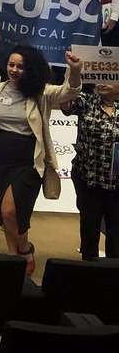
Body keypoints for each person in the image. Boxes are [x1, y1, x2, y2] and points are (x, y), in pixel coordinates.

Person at [0, 45, 82, 274]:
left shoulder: (41, 92)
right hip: (0, 157)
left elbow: (69, 91)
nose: (15, 70)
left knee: (10, 210)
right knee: (6, 212)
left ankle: (24, 248)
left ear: (32, 69)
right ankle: (14, 256)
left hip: (29, 160)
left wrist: (74, 70)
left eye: (21, 66)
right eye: (11, 65)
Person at [61, 80, 119, 260]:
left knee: (116, 232)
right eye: (101, 79)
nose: (103, 83)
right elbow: (65, 103)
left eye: (110, 79)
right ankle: (89, 272)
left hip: (117, 184)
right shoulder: (86, 101)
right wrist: (73, 71)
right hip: (88, 179)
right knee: (89, 228)